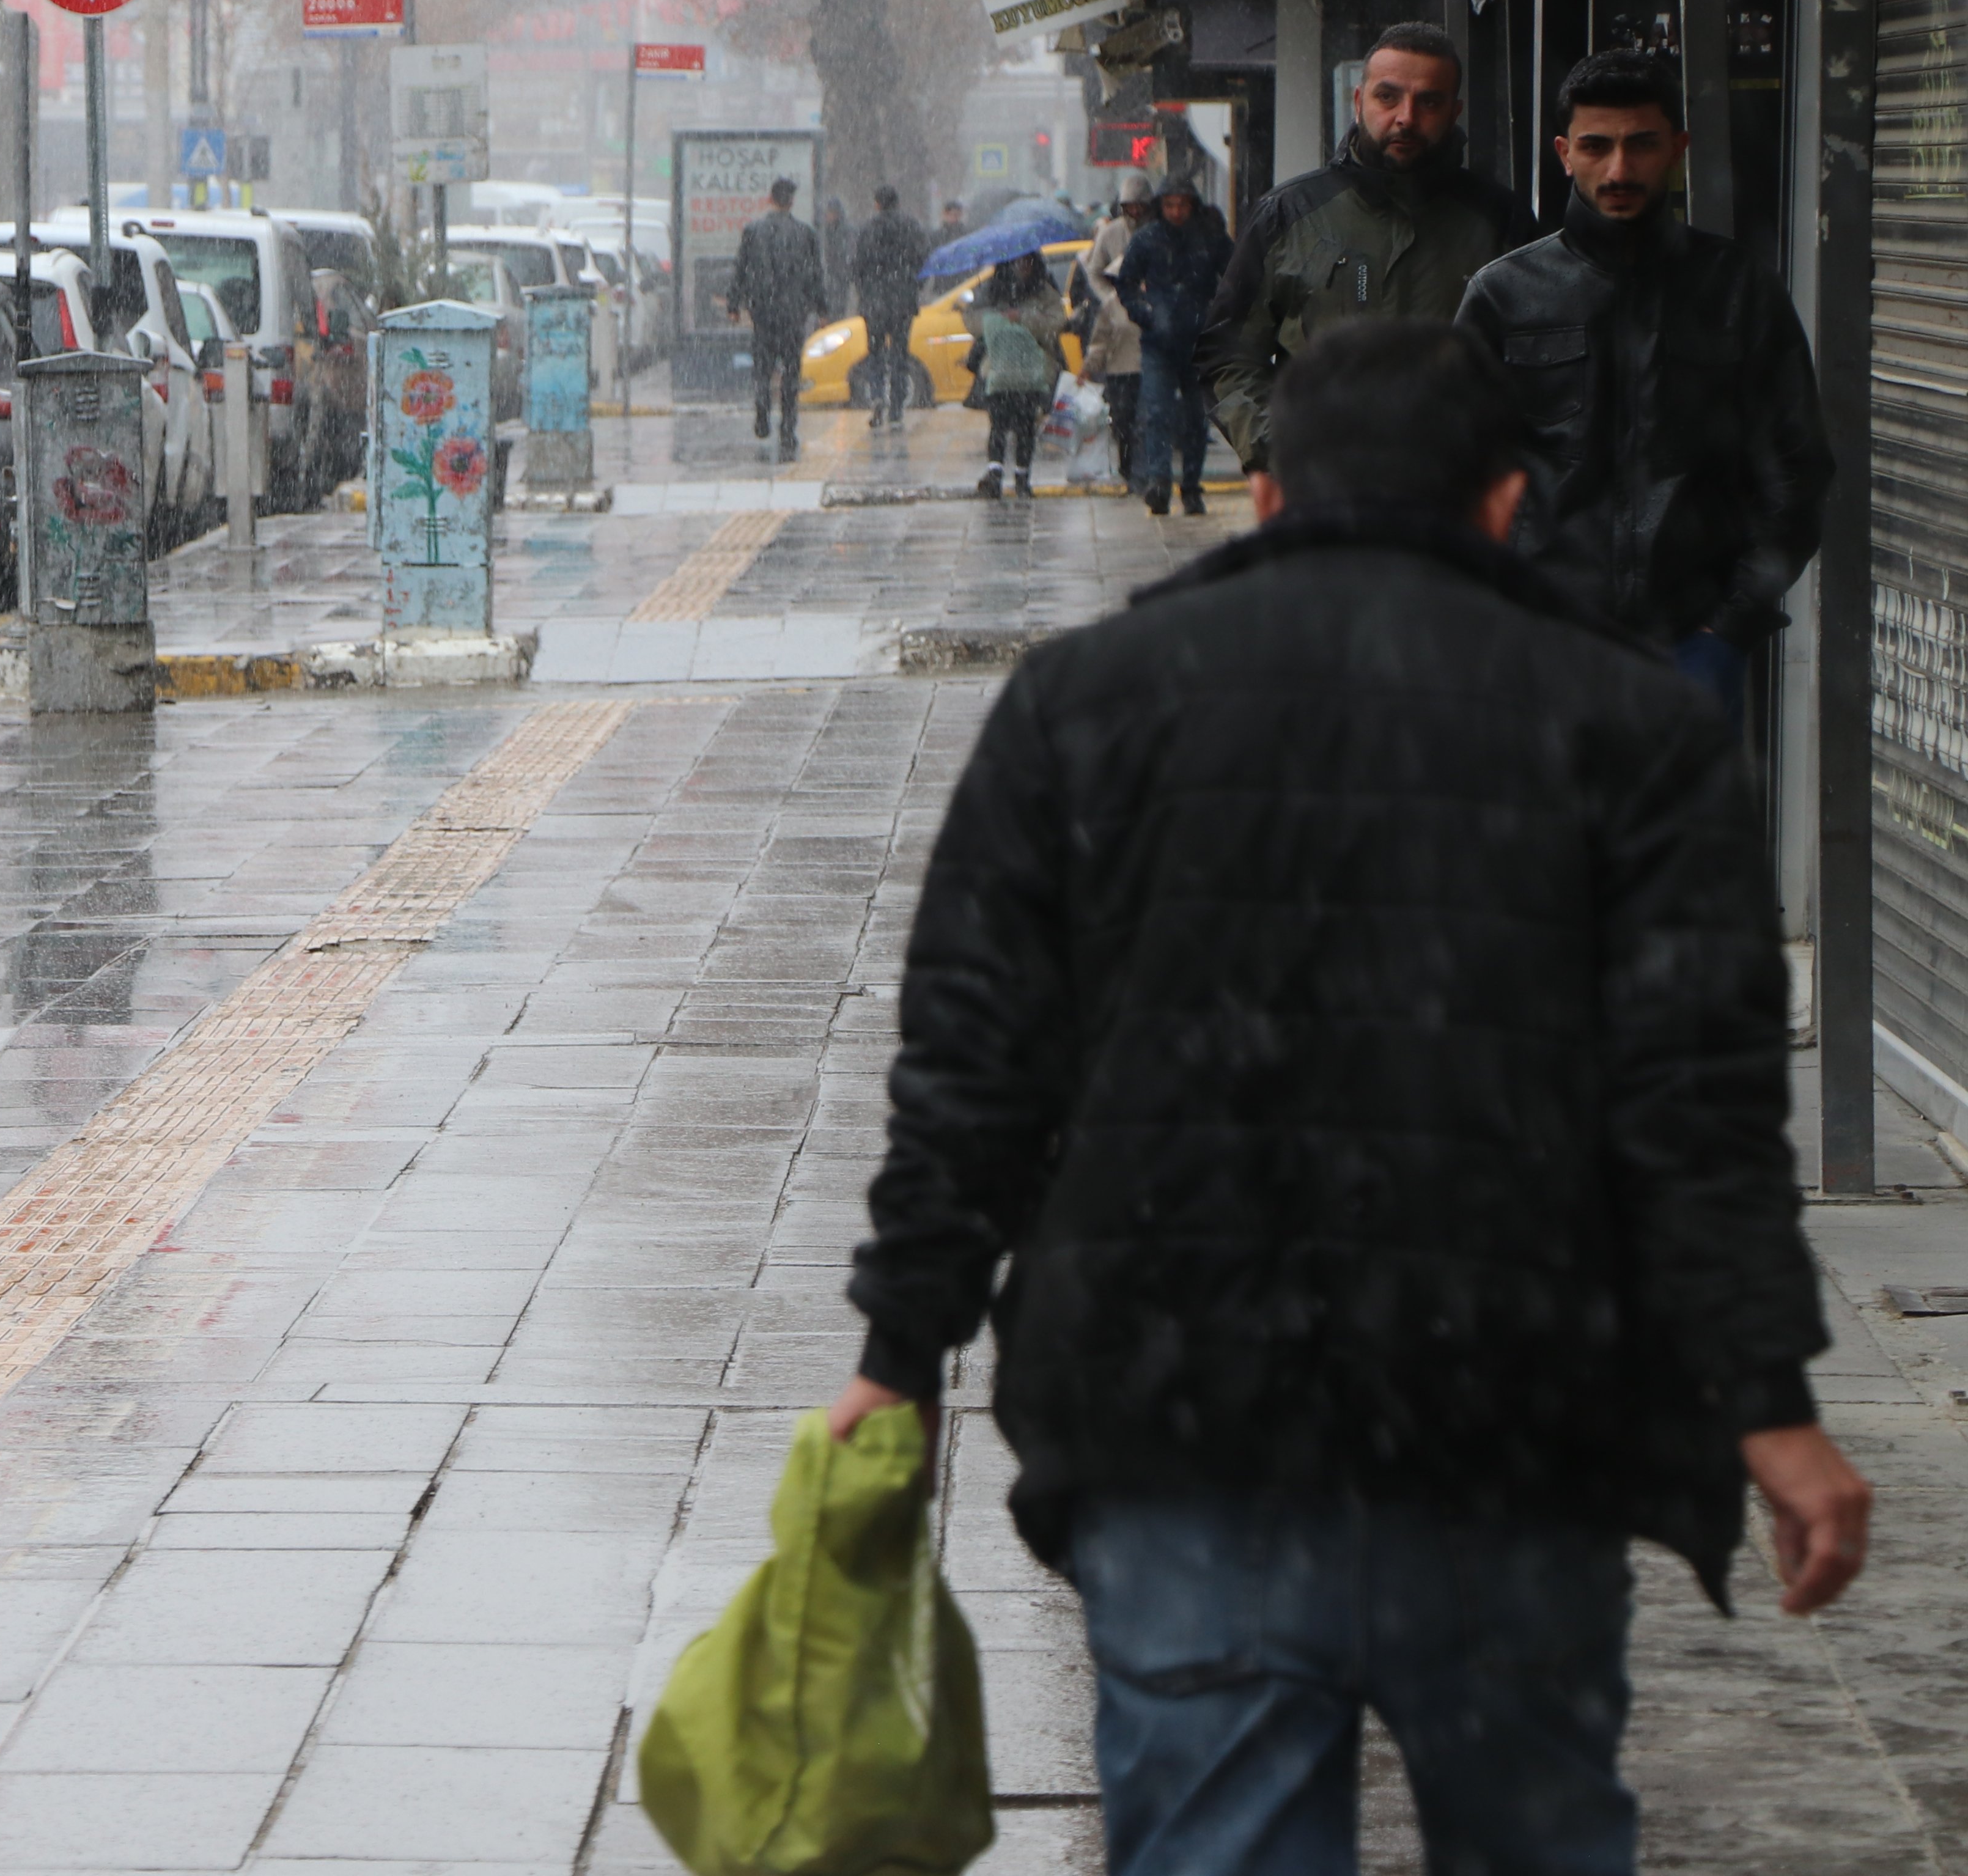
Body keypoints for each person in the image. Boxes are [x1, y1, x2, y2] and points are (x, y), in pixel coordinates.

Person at [832, 320, 1868, 1876]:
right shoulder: (1632, 727)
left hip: (1187, 1429)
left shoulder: (1086, 705)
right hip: (1515, 1423)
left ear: (1265, 496)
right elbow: (1698, 1109)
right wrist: (1769, 1405)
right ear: (1510, 502)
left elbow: (973, 1065)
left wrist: (898, 1355)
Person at [1456, 49, 1827, 727]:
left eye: (1642, 145)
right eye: (1597, 147)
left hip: (1694, 648)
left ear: (1678, 148)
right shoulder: (1504, 296)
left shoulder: (1739, 289)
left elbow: (1799, 469)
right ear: (1565, 153)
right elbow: (1453, 472)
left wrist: (1733, 623)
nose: (1620, 169)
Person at [1198, 21, 1536, 471]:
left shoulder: (1500, 221)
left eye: (1429, 102)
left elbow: (1541, 362)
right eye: (1388, 97)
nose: (1406, 118)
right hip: (1324, 497)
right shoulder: (1290, 215)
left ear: (1455, 111)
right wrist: (1279, 451)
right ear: (1359, 102)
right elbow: (1228, 353)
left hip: (1459, 498)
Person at [1114, 172, 1228, 518]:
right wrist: (1145, 314)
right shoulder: (1147, 240)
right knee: (1157, 414)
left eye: (1182, 205)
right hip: (1159, 343)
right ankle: (1159, 483)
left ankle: (1191, 487)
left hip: (1199, 344)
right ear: (1160, 208)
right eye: (1170, 206)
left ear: (1192, 206)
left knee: (1196, 420)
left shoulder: (1210, 239)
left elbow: (1238, 275)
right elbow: (1126, 284)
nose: (1176, 212)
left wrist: (1217, 316)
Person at [722, 176, 827, 451]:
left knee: (763, 368)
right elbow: (815, 276)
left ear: (770, 199)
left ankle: (762, 412)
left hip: (764, 313)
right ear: (791, 201)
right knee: (791, 372)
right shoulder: (806, 235)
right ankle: (788, 429)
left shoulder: (753, 232)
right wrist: (822, 309)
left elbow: (741, 270)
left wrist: (734, 304)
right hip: (794, 315)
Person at [967, 248, 1065, 498]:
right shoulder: (992, 290)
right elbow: (974, 321)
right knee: (998, 423)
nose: (1022, 267)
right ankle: (995, 473)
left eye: (1027, 261)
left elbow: (1055, 324)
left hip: (1032, 371)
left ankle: (1023, 478)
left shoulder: (1045, 291)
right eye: (1017, 262)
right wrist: (997, 320)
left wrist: (1023, 318)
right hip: (999, 368)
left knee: (1025, 426)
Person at [1072, 176, 1147, 482]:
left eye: (1140, 205)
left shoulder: (1157, 233)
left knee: (1148, 418)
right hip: (1120, 363)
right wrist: (1111, 298)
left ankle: (1146, 472)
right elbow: (1094, 273)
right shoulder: (1111, 234)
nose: (1135, 211)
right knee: (1125, 419)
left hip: (1149, 357)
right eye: (1129, 205)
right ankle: (1131, 469)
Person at [848, 183, 929, 431]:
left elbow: (856, 266)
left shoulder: (866, 230)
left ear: (877, 204)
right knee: (900, 355)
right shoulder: (912, 228)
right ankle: (896, 409)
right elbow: (924, 260)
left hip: (874, 303)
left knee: (875, 352)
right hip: (903, 302)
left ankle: (876, 393)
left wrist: (865, 291)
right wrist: (913, 286)